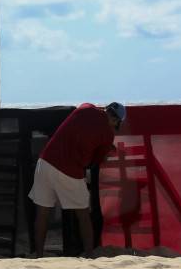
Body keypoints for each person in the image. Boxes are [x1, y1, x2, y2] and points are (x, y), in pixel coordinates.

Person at [28, 102, 126, 258]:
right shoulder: (108, 134)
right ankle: (89, 255)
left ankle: (39, 254)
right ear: (116, 121)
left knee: (42, 213)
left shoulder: (85, 107)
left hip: (45, 162)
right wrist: (108, 150)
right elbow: (98, 159)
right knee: (83, 215)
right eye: (116, 124)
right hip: (69, 170)